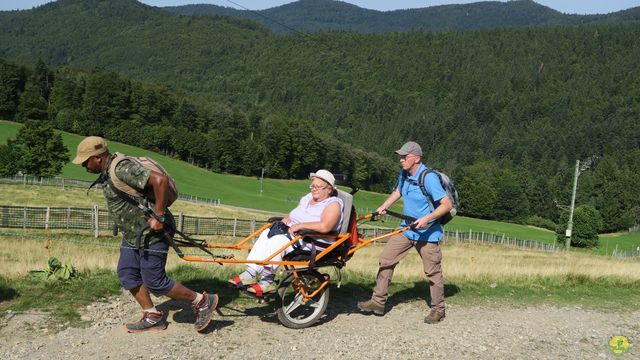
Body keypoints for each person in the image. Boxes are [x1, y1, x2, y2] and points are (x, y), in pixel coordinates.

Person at [72, 136, 219, 333]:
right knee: (128, 274)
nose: (83, 166)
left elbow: (161, 181)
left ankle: (202, 301)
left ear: (98, 157)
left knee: (155, 283)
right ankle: (152, 316)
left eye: (85, 161)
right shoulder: (108, 171)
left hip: (153, 232)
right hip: (133, 234)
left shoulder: (120, 168)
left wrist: (158, 216)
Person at [357, 141, 452, 324]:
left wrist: (427, 218)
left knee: (432, 272)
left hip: (427, 233)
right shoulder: (404, 173)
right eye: (400, 156)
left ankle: (438, 310)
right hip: (406, 229)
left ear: (416, 158)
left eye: (404, 156)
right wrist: (384, 206)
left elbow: (446, 205)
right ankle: (378, 302)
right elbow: (399, 190)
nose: (400, 160)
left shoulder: (428, 177)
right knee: (386, 259)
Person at [228, 169, 344, 296]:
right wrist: (281, 224)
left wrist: (300, 226)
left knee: (277, 240)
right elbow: (293, 215)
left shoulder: (333, 204)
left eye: (318, 187)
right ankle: (250, 272)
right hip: (297, 235)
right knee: (267, 233)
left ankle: (268, 281)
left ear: (329, 189)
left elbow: (325, 227)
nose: (314, 189)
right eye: (313, 186)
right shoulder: (308, 198)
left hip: (313, 240)